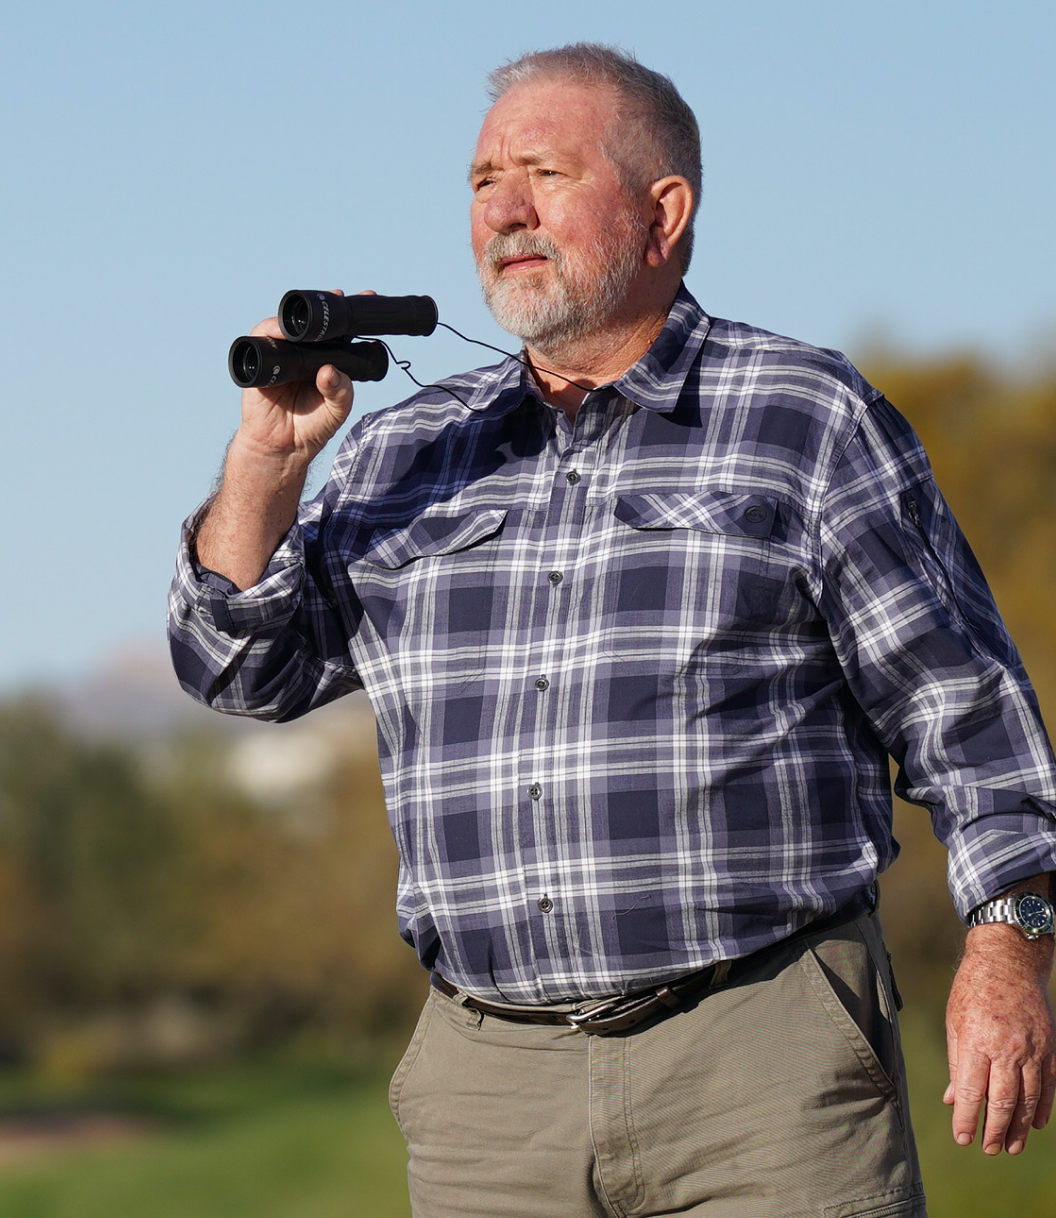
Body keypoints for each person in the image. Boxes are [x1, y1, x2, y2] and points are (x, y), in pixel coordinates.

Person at [169, 43, 1056, 1218]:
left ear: (663, 213)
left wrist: (1010, 950)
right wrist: (266, 465)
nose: (504, 208)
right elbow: (235, 667)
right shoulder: (400, 452)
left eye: (543, 170)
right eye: (483, 179)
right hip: (488, 1089)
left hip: (763, 1065)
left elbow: (970, 720)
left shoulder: (804, 416)